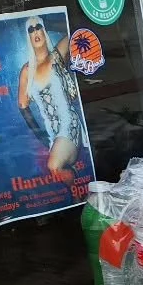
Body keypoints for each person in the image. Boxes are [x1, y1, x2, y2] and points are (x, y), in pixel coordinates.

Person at [17, 16, 82, 179]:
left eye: (39, 27)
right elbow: (23, 106)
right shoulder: (26, 71)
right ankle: (75, 192)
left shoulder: (57, 55)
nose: (36, 32)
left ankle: (76, 191)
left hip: (70, 123)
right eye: (31, 30)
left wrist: (49, 24)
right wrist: (42, 137)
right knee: (55, 169)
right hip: (52, 133)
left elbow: (75, 31)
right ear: (28, 36)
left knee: (53, 166)